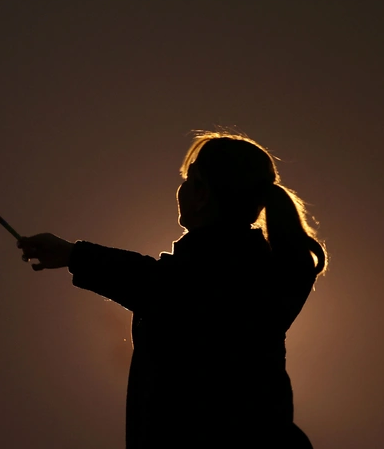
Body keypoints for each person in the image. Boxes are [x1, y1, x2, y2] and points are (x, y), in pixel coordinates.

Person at [18, 132, 326, 449]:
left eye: (188, 180)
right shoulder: (252, 269)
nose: (180, 190)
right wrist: (74, 256)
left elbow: (162, 286)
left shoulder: (227, 273)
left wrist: (74, 254)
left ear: (202, 194)